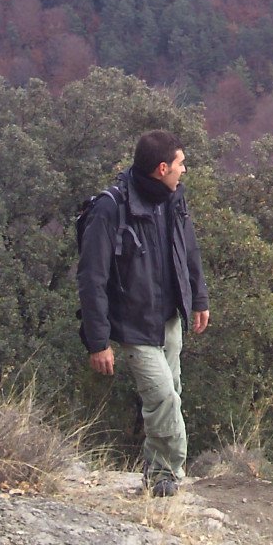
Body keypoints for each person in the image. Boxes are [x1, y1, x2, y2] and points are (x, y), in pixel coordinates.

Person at [78, 129, 210, 497]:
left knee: (172, 392)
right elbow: (92, 278)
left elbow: (189, 250)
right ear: (162, 167)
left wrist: (198, 299)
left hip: (169, 318)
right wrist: (98, 340)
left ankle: (157, 474)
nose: (185, 169)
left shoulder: (173, 199)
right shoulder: (111, 207)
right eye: (181, 163)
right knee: (163, 397)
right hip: (134, 326)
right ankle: (172, 471)